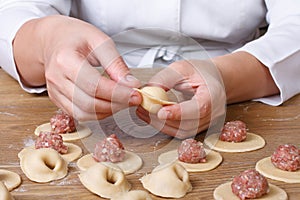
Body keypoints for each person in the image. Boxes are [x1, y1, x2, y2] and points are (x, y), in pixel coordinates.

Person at [0, 1, 300, 139]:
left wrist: (227, 77)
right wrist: (48, 40)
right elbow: (14, 11)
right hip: (87, 76)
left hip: (242, 75)